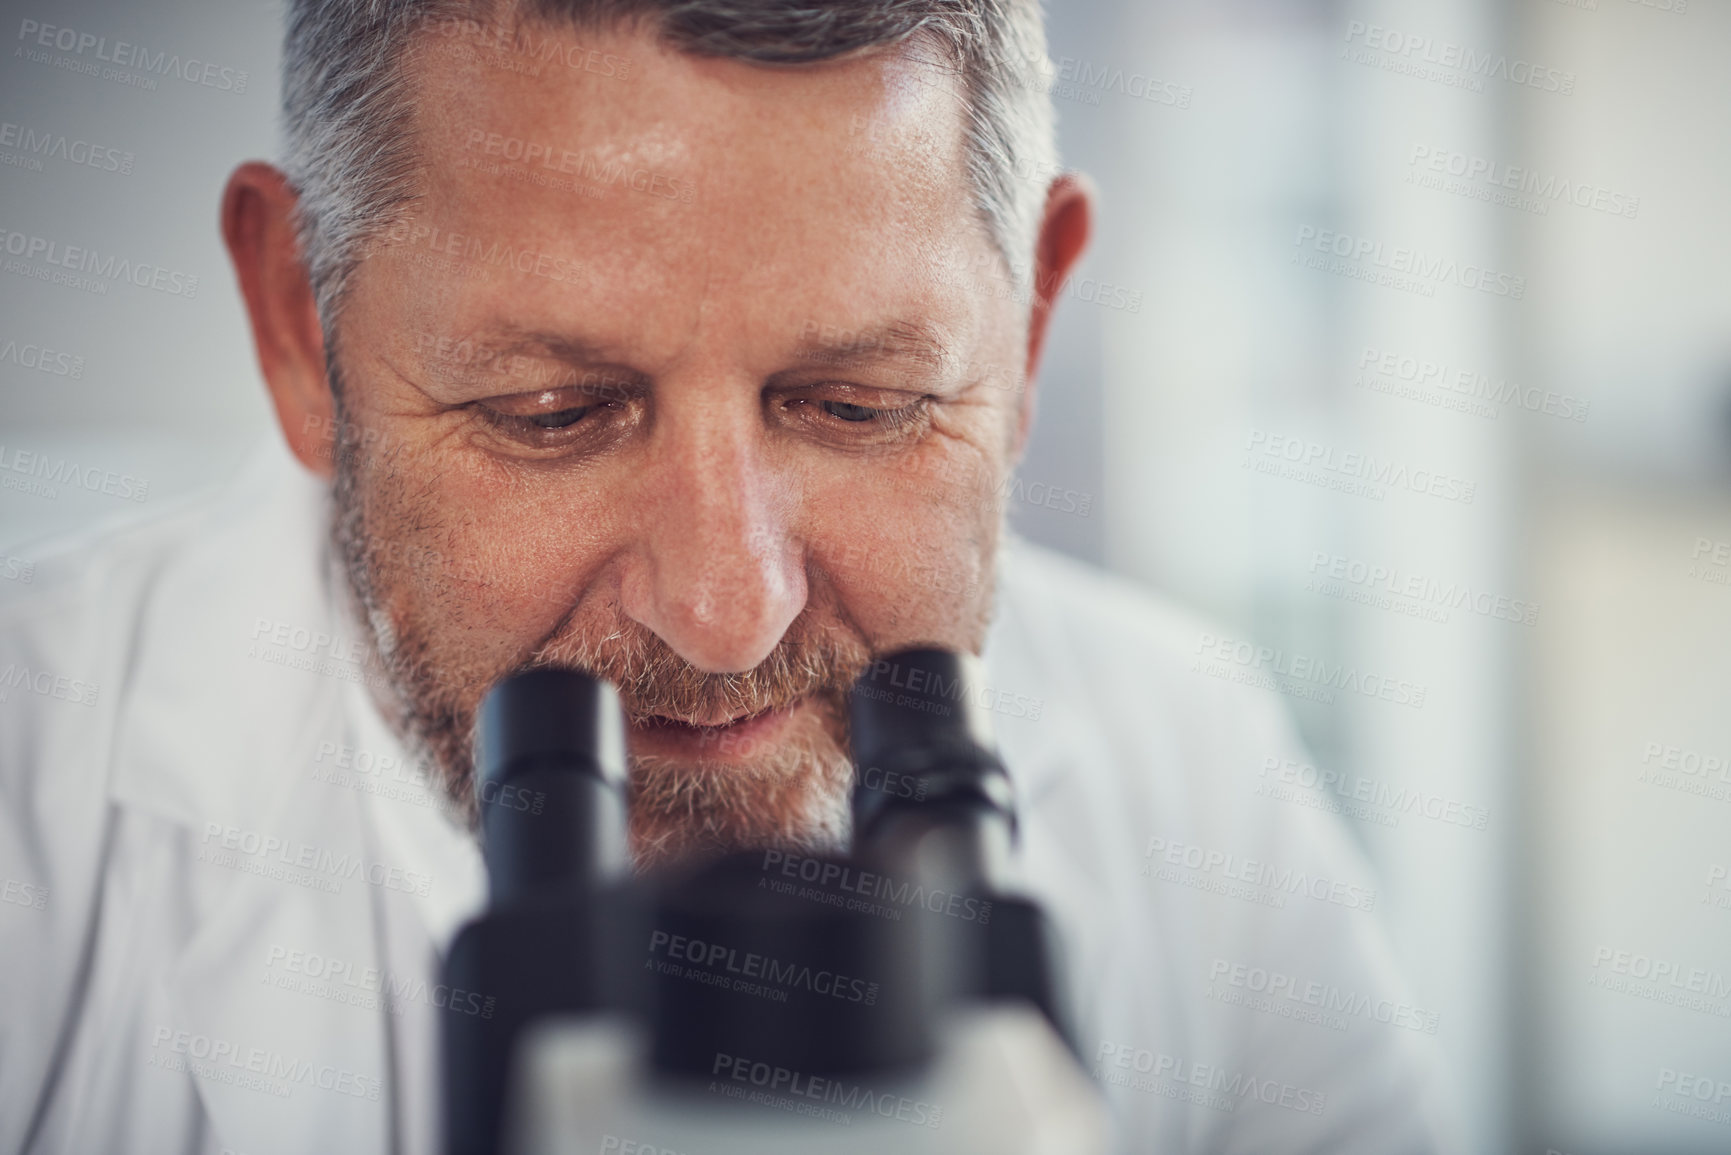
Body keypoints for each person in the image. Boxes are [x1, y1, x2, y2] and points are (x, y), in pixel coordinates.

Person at [0, 1, 1459, 1151]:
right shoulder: (32, 808)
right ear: (290, 326)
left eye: (859, 405)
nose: (726, 610)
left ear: (1026, 331)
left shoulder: (1189, 761)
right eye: (551, 414)